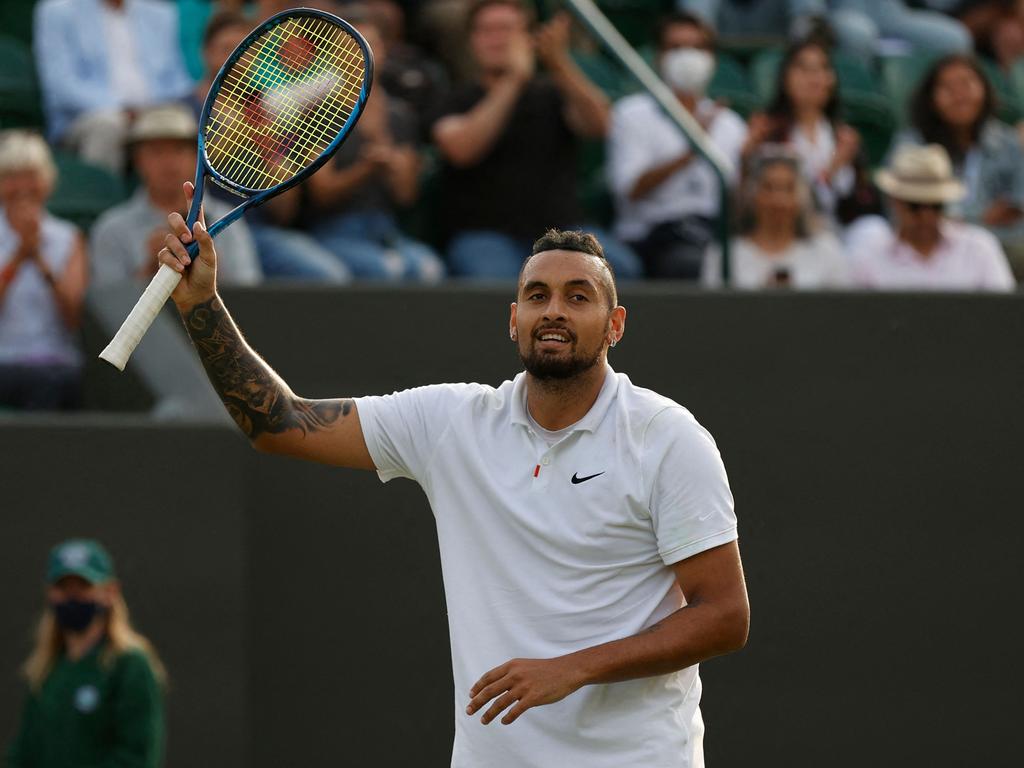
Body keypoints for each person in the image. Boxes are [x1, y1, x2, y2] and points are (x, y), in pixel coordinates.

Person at [156, 181, 749, 766]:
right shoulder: (454, 422)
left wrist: (574, 667)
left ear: (615, 323)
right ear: (513, 319)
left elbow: (724, 616)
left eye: (578, 296)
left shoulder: (668, 437)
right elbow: (279, 424)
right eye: (538, 295)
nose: (554, 311)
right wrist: (202, 303)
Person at [432, 0, 642, 279]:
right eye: (486, 30)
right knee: (497, 280)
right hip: (485, 236)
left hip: (563, 234)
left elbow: (600, 125)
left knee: (622, 269)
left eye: (506, 29)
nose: (497, 39)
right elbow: (461, 149)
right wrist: (514, 80)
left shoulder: (553, 93)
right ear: (472, 41)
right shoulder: (455, 98)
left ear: (527, 36)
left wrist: (558, 62)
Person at [191, 10, 351, 283]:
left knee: (329, 276)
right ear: (205, 53)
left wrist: (270, 155)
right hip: (198, 231)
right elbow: (170, 187)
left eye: (245, 51)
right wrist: (225, 142)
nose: (236, 60)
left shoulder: (272, 115)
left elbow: (284, 211)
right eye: (226, 49)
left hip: (259, 233)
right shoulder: (180, 112)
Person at [305, 13, 446, 281]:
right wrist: (366, 168)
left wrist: (392, 164)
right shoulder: (319, 113)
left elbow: (406, 194)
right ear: (333, 56)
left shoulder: (401, 115)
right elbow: (322, 193)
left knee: (429, 268)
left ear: (383, 51)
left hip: (387, 232)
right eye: (348, 46)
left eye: (369, 44)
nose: (358, 53)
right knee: (385, 269)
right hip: (334, 231)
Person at [607, 11, 747, 279]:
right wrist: (693, 148)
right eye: (677, 48)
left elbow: (738, 205)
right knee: (695, 264)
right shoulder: (631, 114)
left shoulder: (730, 123)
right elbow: (630, 190)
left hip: (714, 234)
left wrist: (751, 163)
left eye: (697, 47)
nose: (688, 56)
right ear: (659, 57)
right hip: (652, 237)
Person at [7, 539, 165, 768]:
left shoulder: (129, 666)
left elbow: (136, 757)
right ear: (50, 593)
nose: (72, 597)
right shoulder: (48, 668)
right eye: (63, 588)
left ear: (110, 592)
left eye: (83, 587)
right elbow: (24, 751)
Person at [89, 104, 261, 287]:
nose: (168, 162)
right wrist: (151, 270)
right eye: (157, 152)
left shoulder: (228, 222)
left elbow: (247, 296)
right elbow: (108, 306)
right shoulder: (111, 229)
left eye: (179, 150)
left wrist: (209, 268)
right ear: (137, 161)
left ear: (197, 157)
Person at [895, 53, 1024, 273]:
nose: (959, 95)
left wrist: (964, 223)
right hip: (930, 245)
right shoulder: (911, 144)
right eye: (947, 87)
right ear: (930, 97)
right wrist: (982, 218)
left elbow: (1017, 207)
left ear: (984, 89)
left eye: (967, 83)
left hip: (1002, 245)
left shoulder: (1007, 142)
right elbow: (902, 210)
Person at [33, 0, 194, 174]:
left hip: (154, 111)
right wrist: (122, 109)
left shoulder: (162, 13)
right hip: (85, 118)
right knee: (109, 126)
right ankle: (100, 199)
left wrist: (151, 110)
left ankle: (195, 199)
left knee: (188, 122)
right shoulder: (57, 11)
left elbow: (178, 81)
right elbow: (62, 86)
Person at [847, 143, 1016, 290]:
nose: (926, 215)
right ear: (895, 202)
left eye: (936, 206)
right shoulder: (868, 255)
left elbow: (1004, 317)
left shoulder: (980, 248)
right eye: (915, 205)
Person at [0, 131, 88, 411]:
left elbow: (74, 316)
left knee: (53, 381)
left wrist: (38, 258)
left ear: (47, 181)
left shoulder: (69, 238)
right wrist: (18, 256)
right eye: (13, 176)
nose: (23, 186)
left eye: (31, 175)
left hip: (54, 363)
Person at [742, 37, 863, 226]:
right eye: (804, 68)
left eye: (822, 68)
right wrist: (746, 156)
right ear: (785, 77)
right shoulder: (768, 130)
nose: (814, 77)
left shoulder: (842, 136)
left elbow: (856, 206)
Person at [704, 147, 849, 288]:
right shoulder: (724, 255)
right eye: (768, 187)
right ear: (753, 194)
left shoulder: (826, 250)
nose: (778, 200)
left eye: (788, 188)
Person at [679, 0, 971, 60]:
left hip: (884, 12)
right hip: (737, 20)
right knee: (857, 33)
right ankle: (693, 34)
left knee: (955, 39)